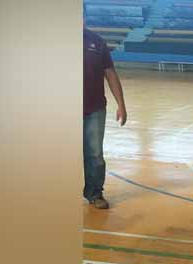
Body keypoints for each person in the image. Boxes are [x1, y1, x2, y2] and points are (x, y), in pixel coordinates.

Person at [83, 15, 127, 209]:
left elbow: (110, 73)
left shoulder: (97, 42)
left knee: (94, 154)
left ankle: (95, 193)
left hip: (94, 109)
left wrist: (121, 104)